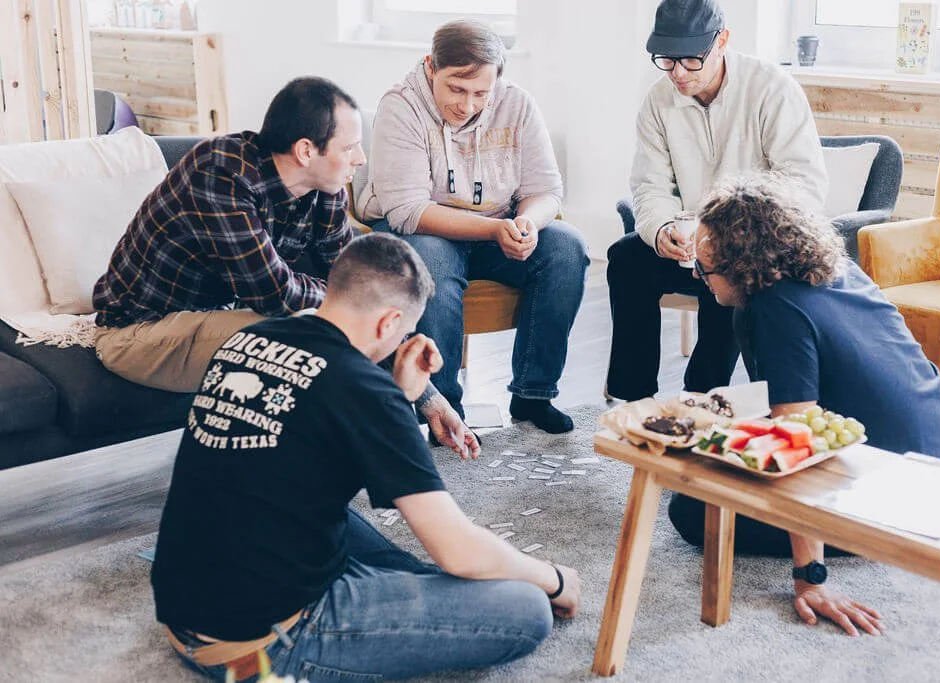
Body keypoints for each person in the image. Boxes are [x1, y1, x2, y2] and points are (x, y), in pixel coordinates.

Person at [152, 233, 581, 681]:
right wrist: (554, 578)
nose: (404, 340)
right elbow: (456, 550)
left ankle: (412, 597)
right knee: (527, 607)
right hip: (254, 648)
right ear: (388, 322)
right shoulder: (364, 389)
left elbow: (325, 454)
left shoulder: (251, 339)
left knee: (306, 506)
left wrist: (401, 397)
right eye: (406, 331)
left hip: (183, 609)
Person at [91, 76, 474, 455]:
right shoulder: (220, 173)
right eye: (352, 147)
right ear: (306, 151)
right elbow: (276, 294)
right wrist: (344, 298)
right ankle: (346, 464)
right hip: (140, 333)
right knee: (302, 333)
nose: (362, 158)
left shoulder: (325, 190)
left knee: (337, 320)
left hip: (220, 316)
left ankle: (376, 452)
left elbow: (361, 289)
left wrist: (430, 397)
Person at [669, 173, 940, 636]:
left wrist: (811, 578)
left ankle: (833, 545)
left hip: (897, 506)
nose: (700, 279)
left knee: (690, 508)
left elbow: (797, 438)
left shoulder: (771, 309)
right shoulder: (834, 269)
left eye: (705, 270)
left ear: (742, 263)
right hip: (938, 464)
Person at [357, 20, 590, 434]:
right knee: (431, 258)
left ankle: (533, 395)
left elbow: (546, 190)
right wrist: (492, 231)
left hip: (496, 226)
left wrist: (526, 223)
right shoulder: (401, 106)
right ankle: (442, 409)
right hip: (423, 230)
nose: (468, 105)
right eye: (456, 90)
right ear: (431, 67)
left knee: (567, 246)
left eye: (481, 93)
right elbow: (407, 210)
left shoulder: (518, 104)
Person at [605, 0, 828, 401]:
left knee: (727, 271)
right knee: (625, 260)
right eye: (667, 60)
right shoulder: (659, 101)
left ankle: (701, 395)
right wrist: (662, 231)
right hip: (688, 243)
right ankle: (633, 399)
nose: (678, 73)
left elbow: (802, 183)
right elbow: (649, 186)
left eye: (690, 60)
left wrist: (728, 232)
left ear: (722, 41)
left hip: (753, 247)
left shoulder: (772, 89)